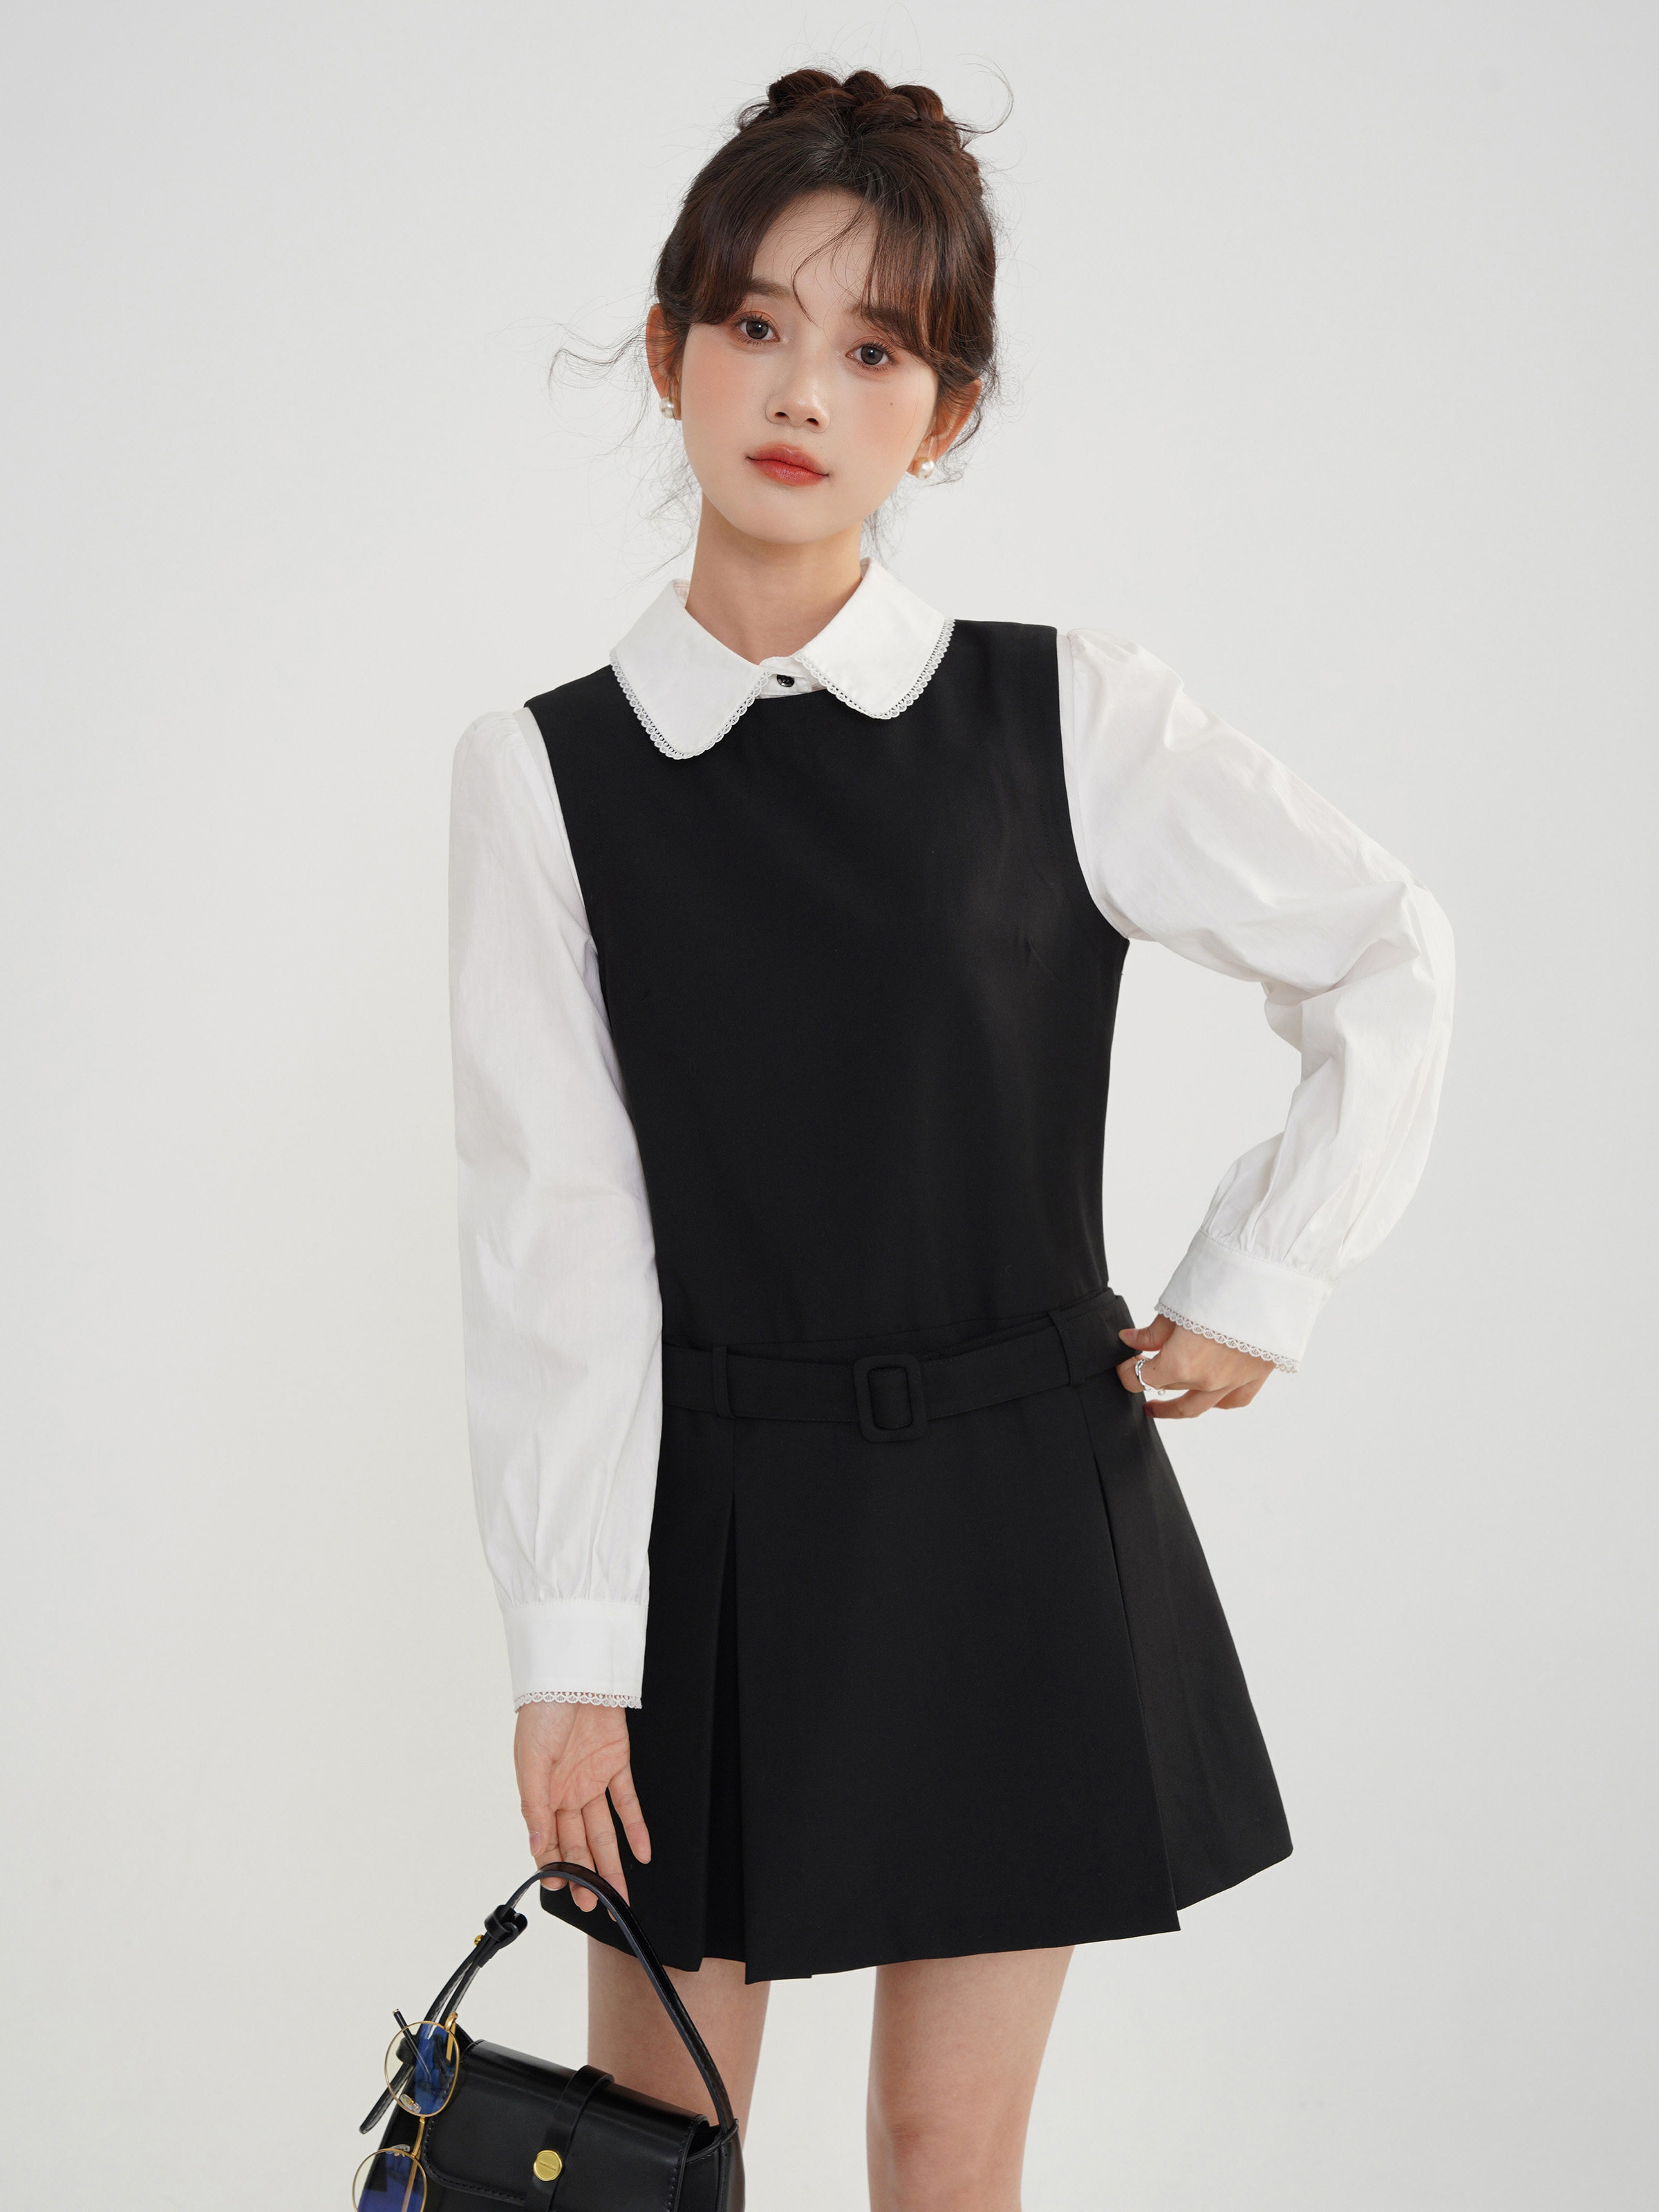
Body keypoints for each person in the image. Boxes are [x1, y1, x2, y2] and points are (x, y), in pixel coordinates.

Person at [447, 66, 1454, 2212]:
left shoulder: (1062, 710)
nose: (804, 390)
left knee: (945, 2155)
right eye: (755, 325)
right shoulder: (547, 776)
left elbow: (1386, 948)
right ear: (669, 351)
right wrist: (571, 1654)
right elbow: (558, 1235)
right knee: (653, 2156)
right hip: (716, 1542)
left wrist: (1266, 1272)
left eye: (877, 348)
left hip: (1012, 1515)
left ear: (949, 413)